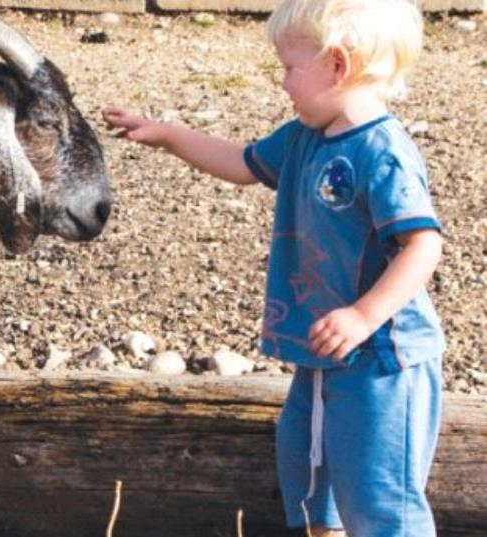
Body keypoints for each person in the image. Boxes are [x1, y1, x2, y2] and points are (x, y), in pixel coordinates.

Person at [103, 1, 445, 536]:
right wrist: (167, 134)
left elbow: (422, 246)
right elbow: (242, 162)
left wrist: (362, 315)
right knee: (310, 481)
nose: (282, 82)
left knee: (381, 500)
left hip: (382, 360)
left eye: (289, 67)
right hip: (322, 353)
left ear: (338, 64)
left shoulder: (382, 150)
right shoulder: (307, 135)